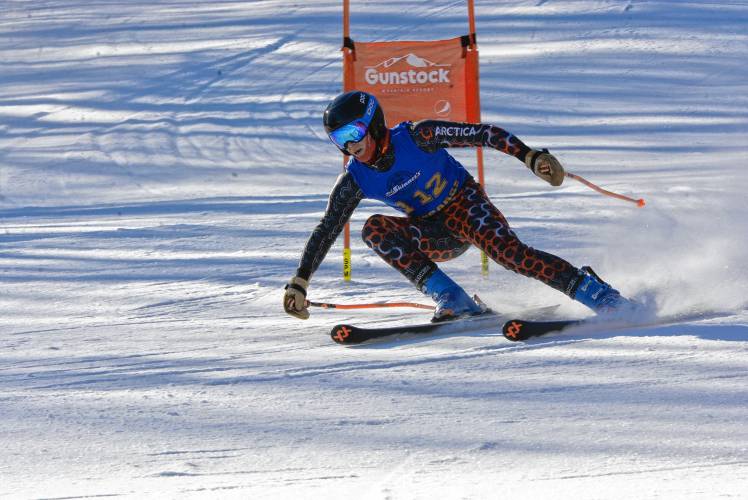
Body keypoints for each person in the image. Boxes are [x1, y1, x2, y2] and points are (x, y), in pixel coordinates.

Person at [283, 90, 635, 322]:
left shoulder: (418, 135)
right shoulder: (355, 178)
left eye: (354, 133)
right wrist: (300, 281)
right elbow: (328, 226)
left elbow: (482, 134)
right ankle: (452, 298)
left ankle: (597, 292)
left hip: (465, 205)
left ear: (374, 124)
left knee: (510, 256)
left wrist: (530, 156)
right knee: (374, 229)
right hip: (433, 232)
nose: (350, 146)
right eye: (339, 140)